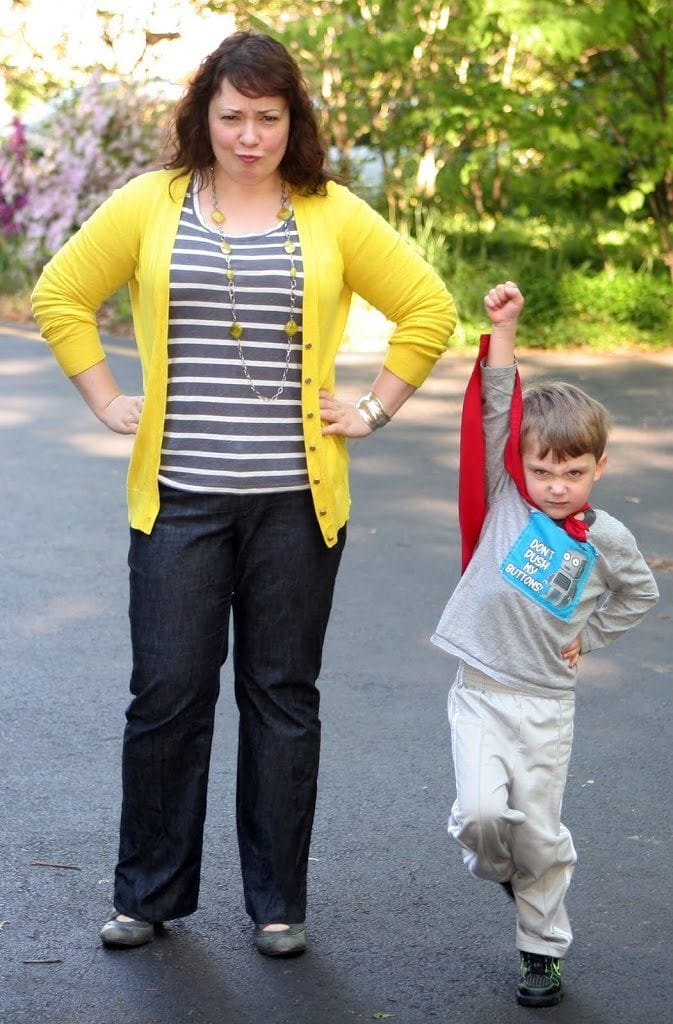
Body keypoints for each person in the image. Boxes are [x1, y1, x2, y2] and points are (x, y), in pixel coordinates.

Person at [31, 30, 456, 956]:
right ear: (204, 117)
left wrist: (375, 411)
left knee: (280, 698)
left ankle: (276, 902)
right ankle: (147, 895)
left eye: (268, 117)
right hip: (178, 500)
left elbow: (428, 307)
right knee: (167, 695)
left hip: (295, 511)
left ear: (291, 120)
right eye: (232, 116)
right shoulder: (154, 202)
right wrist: (106, 397)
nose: (250, 135)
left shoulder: (331, 212)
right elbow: (60, 292)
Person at [431, 282, 658, 1006]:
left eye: (572, 471)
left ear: (598, 468)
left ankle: (540, 950)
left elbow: (640, 594)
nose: (554, 486)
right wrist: (504, 326)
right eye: (541, 470)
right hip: (480, 692)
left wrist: (587, 637)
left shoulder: (608, 539)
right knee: (480, 817)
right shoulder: (507, 499)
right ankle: (501, 867)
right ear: (520, 467)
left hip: (544, 708)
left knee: (541, 837)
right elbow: (498, 398)